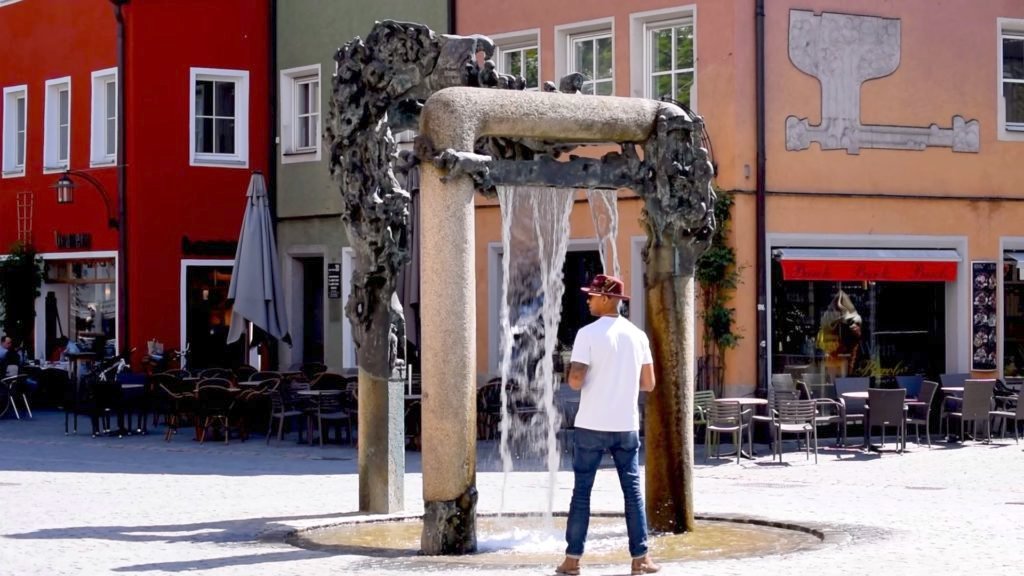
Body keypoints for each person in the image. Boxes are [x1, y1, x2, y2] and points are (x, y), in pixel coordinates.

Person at [555, 274, 660, 576]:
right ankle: (641, 560)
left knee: (582, 493)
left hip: (590, 425)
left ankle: (572, 560)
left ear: (606, 298)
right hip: (625, 424)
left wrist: (577, 374)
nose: (587, 300)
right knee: (632, 493)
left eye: (591, 295)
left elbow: (575, 381)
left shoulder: (587, 334)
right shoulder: (638, 336)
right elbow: (649, 384)